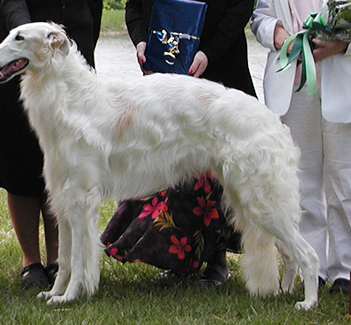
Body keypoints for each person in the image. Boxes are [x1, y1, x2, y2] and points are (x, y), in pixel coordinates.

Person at [101, 0, 256, 286]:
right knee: (166, 170)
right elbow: (135, 8)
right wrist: (140, 42)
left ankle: (216, 261)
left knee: (213, 177)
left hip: (219, 75)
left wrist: (208, 53)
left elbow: (240, 9)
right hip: (165, 82)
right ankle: (177, 259)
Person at [0, 0, 102, 288]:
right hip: (20, 51)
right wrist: (25, 31)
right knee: (17, 159)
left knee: (67, 164)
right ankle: (30, 261)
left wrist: (83, 41)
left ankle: (60, 260)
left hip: (69, 59)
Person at [251, 0, 351, 293]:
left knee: (344, 179)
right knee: (300, 181)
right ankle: (312, 265)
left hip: (342, 83)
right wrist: (279, 36)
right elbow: (260, 19)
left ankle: (345, 268)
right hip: (291, 82)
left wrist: (342, 45)